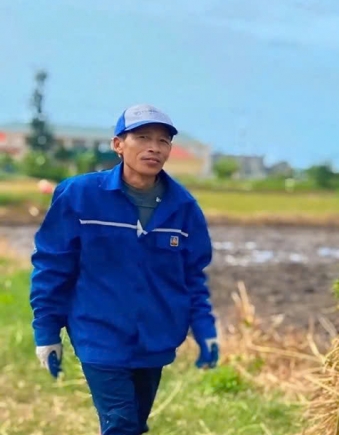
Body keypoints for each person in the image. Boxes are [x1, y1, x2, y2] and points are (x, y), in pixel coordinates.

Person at [29, 103, 219, 434]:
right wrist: (46, 330)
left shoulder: (184, 207)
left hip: (156, 338)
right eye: (142, 137)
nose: (153, 148)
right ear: (118, 144)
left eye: (163, 141)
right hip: (98, 333)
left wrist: (204, 329)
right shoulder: (79, 196)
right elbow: (52, 265)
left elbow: (192, 277)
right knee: (121, 423)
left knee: (135, 422)